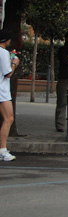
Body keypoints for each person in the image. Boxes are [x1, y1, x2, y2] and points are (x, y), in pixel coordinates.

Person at [0, 29, 19, 161]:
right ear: (6, 40)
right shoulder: (3, 53)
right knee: (9, 118)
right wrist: (14, 64)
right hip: (2, 91)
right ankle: (2, 150)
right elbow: (8, 73)